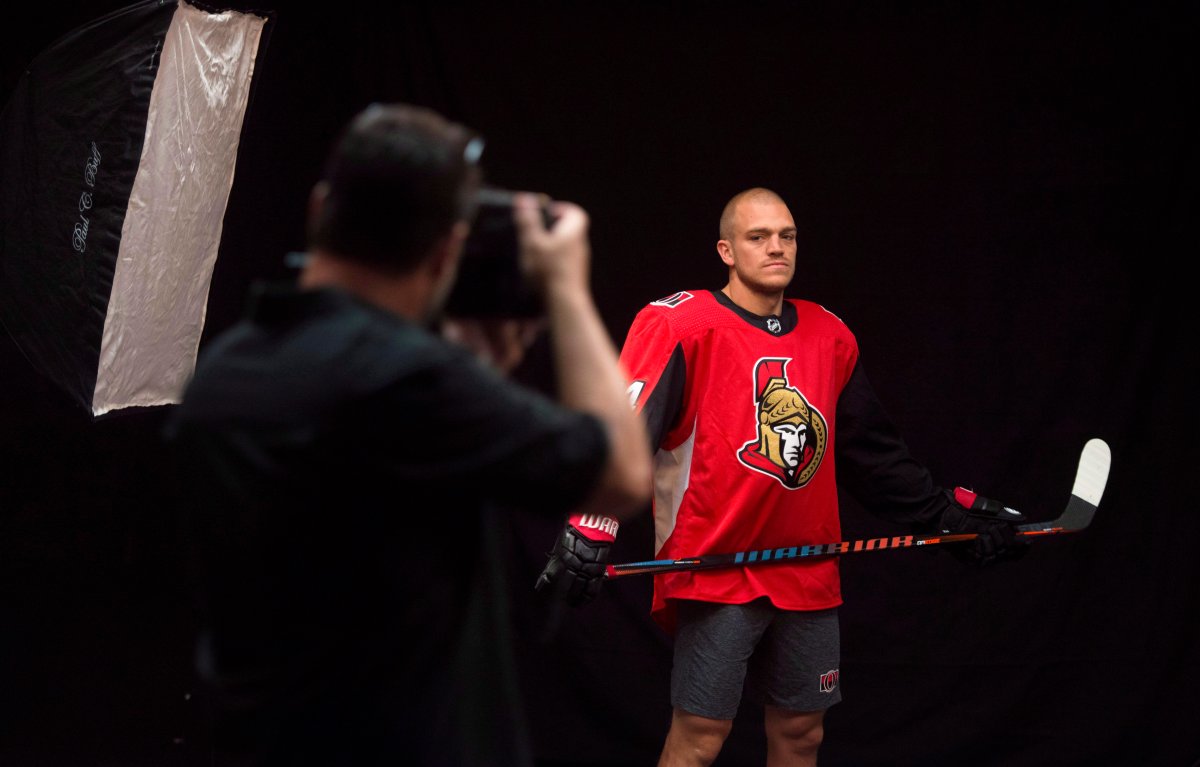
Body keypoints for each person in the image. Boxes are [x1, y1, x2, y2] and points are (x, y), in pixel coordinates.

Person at [163, 102, 652, 767]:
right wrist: (566, 286)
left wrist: (477, 375)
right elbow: (622, 473)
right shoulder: (410, 383)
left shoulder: (222, 377)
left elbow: (379, 503)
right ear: (445, 249)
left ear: (319, 209)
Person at [535, 187, 1029, 766]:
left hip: (806, 568)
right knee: (699, 738)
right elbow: (626, 428)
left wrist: (947, 514)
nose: (777, 248)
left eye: (787, 236)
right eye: (758, 237)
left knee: (802, 734)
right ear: (726, 250)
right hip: (716, 565)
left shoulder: (829, 334)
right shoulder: (682, 324)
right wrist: (592, 525)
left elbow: (870, 455)